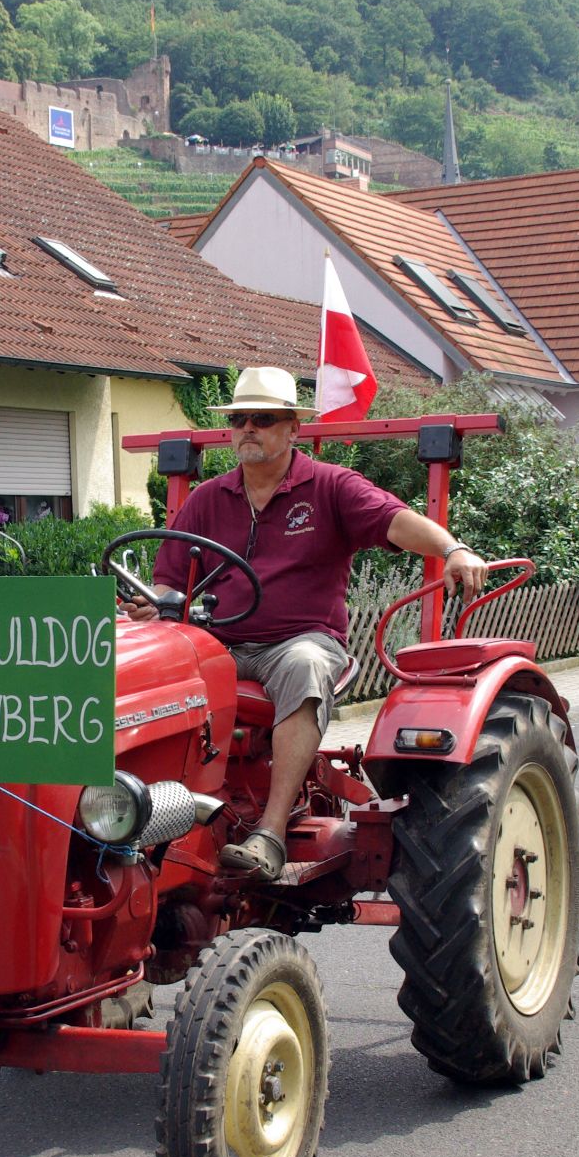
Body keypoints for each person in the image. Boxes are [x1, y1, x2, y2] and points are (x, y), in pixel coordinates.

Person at [121, 365, 490, 879]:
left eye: (264, 419)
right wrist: (151, 605)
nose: (249, 428)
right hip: (220, 640)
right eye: (241, 418)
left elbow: (396, 521)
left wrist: (453, 548)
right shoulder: (207, 500)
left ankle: (269, 834)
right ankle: (146, 819)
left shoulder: (330, 487)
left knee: (303, 665)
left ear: (294, 428)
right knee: (152, 671)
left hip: (301, 640)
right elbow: (169, 582)